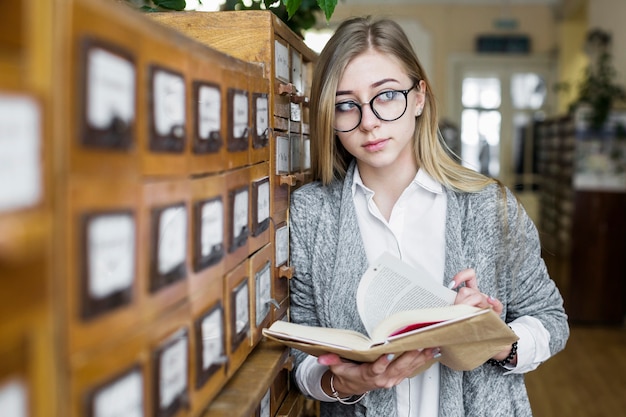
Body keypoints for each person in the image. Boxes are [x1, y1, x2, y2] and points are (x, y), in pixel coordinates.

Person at [288, 16, 569, 417]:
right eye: (345, 104)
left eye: (386, 96)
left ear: (419, 97)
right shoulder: (311, 213)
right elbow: (302, 356)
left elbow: (551, 319)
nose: (368, 122)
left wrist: (495, 340)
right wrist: (340, 382)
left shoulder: (489, 206)